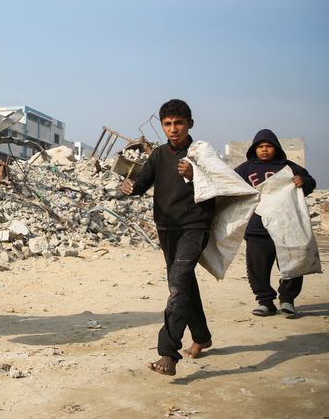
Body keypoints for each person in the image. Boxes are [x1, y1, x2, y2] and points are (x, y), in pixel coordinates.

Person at [120, 99, 215, 376]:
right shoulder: (159, 155)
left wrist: (195, 174)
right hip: (167, 227)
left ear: (190, 124)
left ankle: (168, 352)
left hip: (195, 226)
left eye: (179, 123)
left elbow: (222, 183)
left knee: (178, 281)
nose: (173, 129)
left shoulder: (201, 154)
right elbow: (140, 183)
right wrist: (129, 186)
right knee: (184, 281)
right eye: (168, 124)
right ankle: (202, 336)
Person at [234, 129, 316, 317]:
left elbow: (311, 181)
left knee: (294, 264)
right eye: (260, 146)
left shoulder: (288, 167)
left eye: (268, 146)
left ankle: (287, 299)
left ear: (276, 148)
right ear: (254, 149)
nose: (264, 150)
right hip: (257, 228)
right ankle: (265, 302)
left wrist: (302, 181)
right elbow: (229, 185)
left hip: (286, 226)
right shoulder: (245, 168)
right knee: (257, 268)